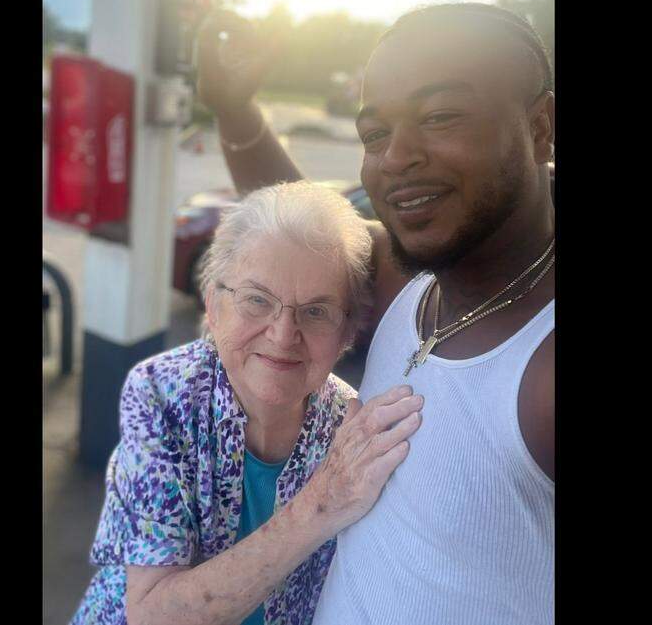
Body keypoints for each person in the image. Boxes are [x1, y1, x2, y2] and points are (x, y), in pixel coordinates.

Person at [196, 3, 555, 624]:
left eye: (441, 116)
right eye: (374, 134)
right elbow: (303, 226)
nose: (395, 158)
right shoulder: (411, 281)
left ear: (541, 126)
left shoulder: (540, 373)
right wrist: (235, 109)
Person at [70, 182, 425, 625]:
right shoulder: (162, 393)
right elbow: (153, 614)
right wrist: (322, 504)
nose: (282, 335)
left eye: (316, 311)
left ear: (347, 333)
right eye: (257, 300)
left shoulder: (351, 428)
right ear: (214, 306)